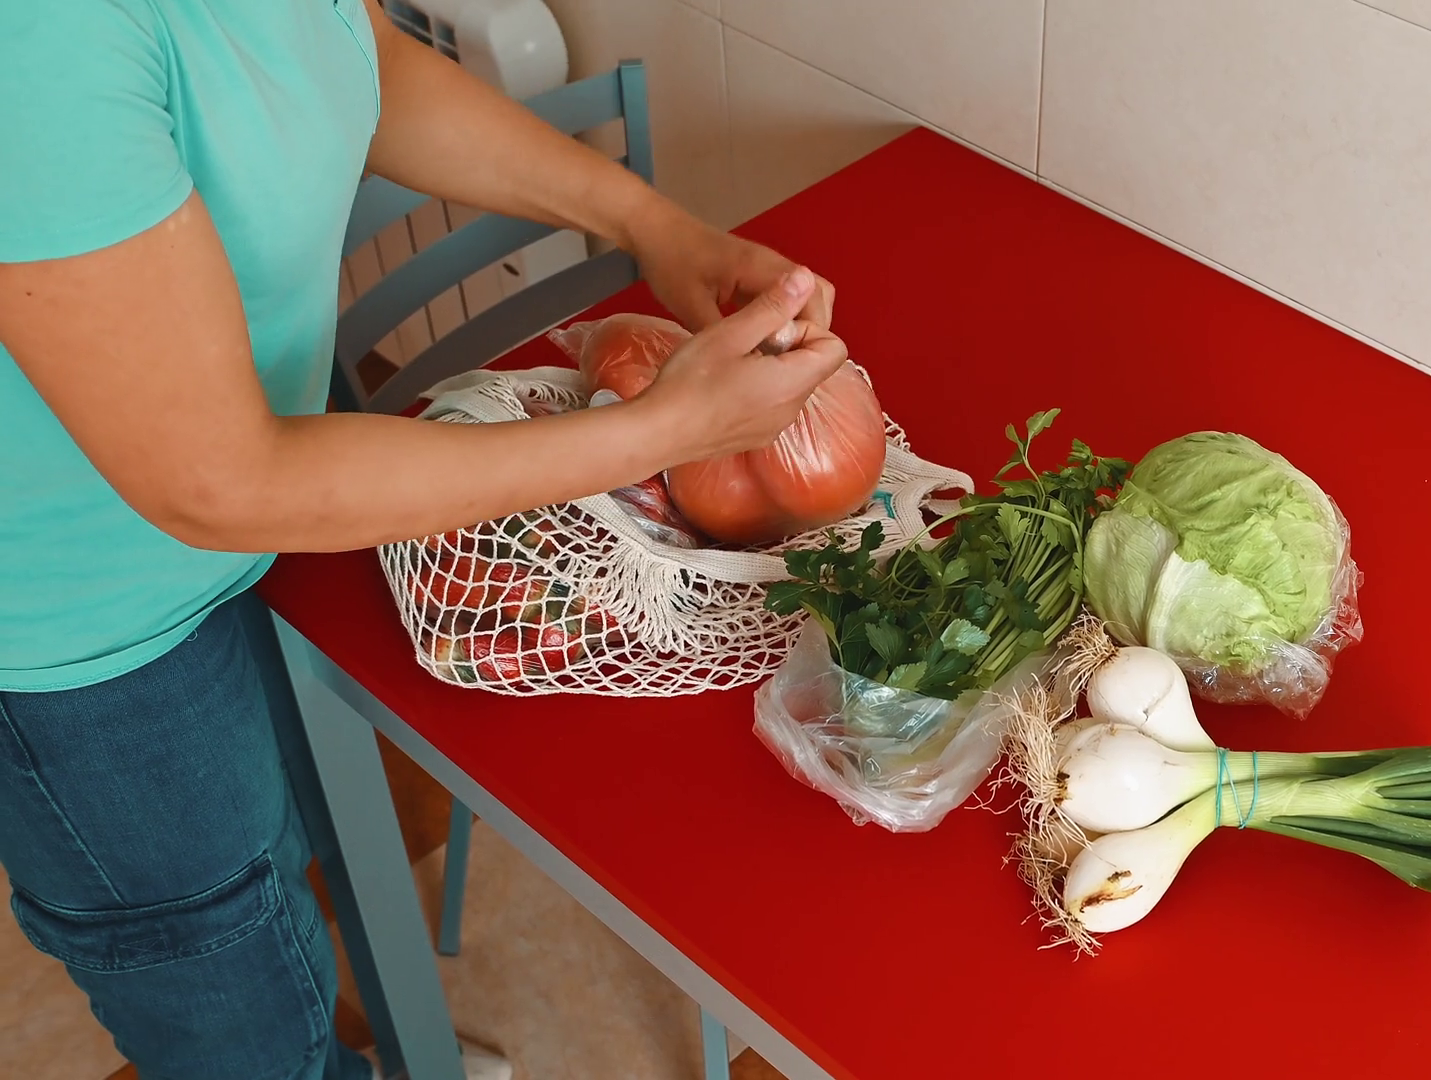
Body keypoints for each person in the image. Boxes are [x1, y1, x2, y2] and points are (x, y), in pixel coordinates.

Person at [0, 2, 848, 1077]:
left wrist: (651, 223)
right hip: (85, 633)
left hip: (258, 532)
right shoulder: (38, 41)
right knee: (239, 1007)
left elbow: (369, 64)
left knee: (290, 866)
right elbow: (218, 482)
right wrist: (659, 434)